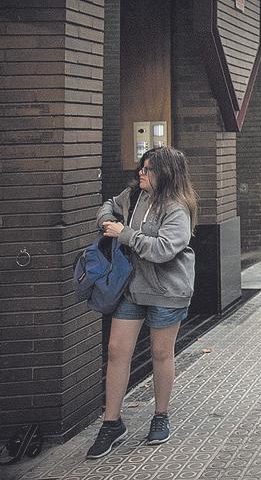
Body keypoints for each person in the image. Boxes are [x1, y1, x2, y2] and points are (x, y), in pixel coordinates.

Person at [87, 147, 197, 459]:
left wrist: (124, 233)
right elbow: (109, 204)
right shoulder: (134, 196)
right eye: (142, 167)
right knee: (116, 351)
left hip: (167, 291)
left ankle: (160, 416)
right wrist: (107, 220)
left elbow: (162, 250)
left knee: (161, 353)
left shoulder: (177, 208)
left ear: (166, 174)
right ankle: (111, 423)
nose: (141, 173)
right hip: (132, 289)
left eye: (148, 169)